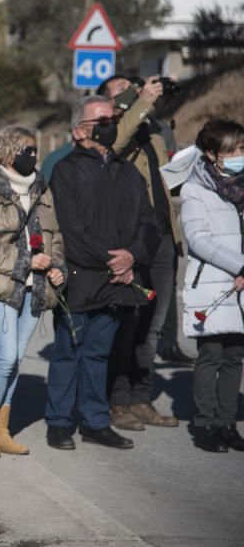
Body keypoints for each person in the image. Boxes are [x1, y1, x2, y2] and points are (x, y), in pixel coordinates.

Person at [44, 95, 160, 451]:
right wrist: (114, 261)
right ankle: (59, 422)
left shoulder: (128, 172)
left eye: (113, 118)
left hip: (118, 282)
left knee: (98, 354)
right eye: (102, 120)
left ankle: (95, 421)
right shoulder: (67, 170)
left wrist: (132, 257)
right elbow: (72, 231)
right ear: (80, 131)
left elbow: (148, 223)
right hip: (80, 279)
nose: (111, 124)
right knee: (69, 352)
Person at [0, 127, 66, 457]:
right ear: (8, 151)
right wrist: (26, 260)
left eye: (35, 150)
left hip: (37, 286)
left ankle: (3, 430)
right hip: (3, 283)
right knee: (5, 357)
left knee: (18, 358)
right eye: (28, 150)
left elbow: (57, 235)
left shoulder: (42, 189)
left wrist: (56, 265)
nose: (34, 156)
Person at [99, 75, 182, 430]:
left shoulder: (153, 131)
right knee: (127, 323)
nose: (132, 91)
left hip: (164, 238)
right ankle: (117, 401)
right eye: (122, 90)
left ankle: (141, 398)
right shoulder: (111, 129)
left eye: (134, 86)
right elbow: (114, 145)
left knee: (152, 326)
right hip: (133, 241)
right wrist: (140, 102)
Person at [179, 119, 244, 452]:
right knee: (212, 354)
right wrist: (240, 266)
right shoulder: (194, 189)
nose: (239, 155)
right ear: (211, 153)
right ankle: (204, 424)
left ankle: (227, 423)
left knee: (235, 356)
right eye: (232, 150)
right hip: (214, 283)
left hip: (241, 284)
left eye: (242, 148)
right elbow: (198, 240)